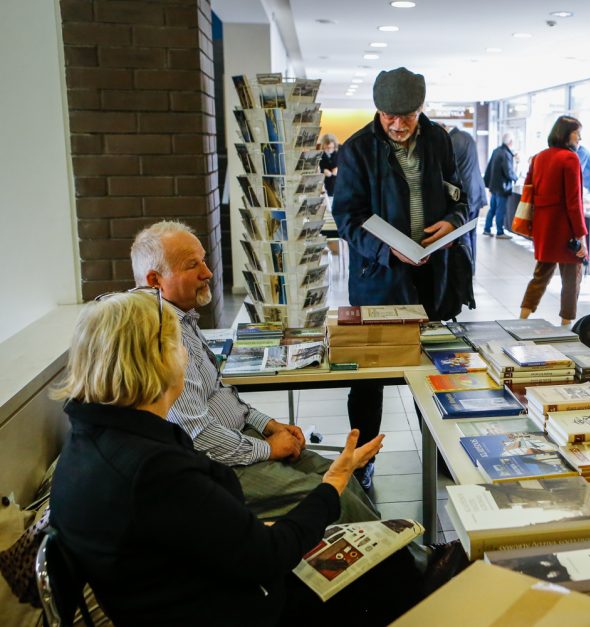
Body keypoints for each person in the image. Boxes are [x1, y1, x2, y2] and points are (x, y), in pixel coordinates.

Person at [47, 291, 431, 626]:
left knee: (381, 568)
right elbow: (268, 556)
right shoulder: (152, 470)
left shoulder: (89, 442)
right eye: (178, 344)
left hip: (187, 590)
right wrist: (333, 483)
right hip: (234, 611)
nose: (185, 354)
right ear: (157, 360)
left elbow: (200, 533)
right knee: (386, 578)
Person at [131, 221, 379, 521]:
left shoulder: (182, 318)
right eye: (192, 265)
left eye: (204, 260)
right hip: (218, 465)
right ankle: (410, 564)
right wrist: (267, 448)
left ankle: (404, 558)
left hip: (240, 440)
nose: (208, 273)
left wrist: (268, 424)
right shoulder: (160, 334)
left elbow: (220, 395)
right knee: (330, 495)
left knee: (345, 476)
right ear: (155, 280)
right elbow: (199, 437)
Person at [332, 67, 470, 489]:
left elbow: (460, 194)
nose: (397, 123)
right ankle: (363, 458)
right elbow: (347, 217)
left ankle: (444, 450)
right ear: (378, 110)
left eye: (406, 115)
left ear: (420, 109)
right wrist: (383, 248)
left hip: (432, 276)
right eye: (389, 114)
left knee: (430, 371)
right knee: (369, 378)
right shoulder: (356, 149)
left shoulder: (439, 140)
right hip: (380, 278)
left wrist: (454, 220)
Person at [519, 115, 588, 326]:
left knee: (541, 274)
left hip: (544, 227)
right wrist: (581, 236)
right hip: (565, 230)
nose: (580, 138)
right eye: (577, 133)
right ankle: (565, 324)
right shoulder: (570, 159)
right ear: (566, 134)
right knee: (571, 278)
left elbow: (529, 192)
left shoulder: (539, 157)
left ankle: (522, 317)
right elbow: (574, 202)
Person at [448, 124, 487, 267]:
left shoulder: (453, 140)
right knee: (472, 233)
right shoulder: (467, 137)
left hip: (466, 192)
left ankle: (466, 267)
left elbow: (451, 168)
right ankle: (472, 266)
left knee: (463, 233)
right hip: (476, 190)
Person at [483, 132, 518, 239]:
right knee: (500, 210)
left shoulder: (496, 151)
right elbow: (508, 172)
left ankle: (487, 229)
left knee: (492, 208)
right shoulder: (506, 154)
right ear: (511, 142)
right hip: (502, 187)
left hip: (494, 186)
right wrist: (516, 178)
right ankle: (500, 232)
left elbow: (489, 168)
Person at [319, 132, 340, 201]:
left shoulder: (340, 150)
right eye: (327, 148)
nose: (329, 150)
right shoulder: (319, 154)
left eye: (331, 148)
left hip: (338, 184)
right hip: (324, 184)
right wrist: (323, 170)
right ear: (323, 146)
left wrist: (338, 168)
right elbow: (316, 167)